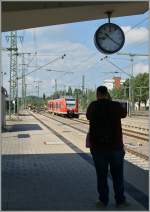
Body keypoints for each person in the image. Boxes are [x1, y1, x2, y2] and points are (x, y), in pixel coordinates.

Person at [86, 86, 127, 208]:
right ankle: (120, 201)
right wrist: (110, 100)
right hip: (115, 148)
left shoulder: (93, 106)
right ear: (107, 94)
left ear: (97, 94)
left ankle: (103, 201)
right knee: (118, 176)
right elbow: (124, 114)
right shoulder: (115, 105)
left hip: (98, 149)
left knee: (101, 176)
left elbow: (88, 116)